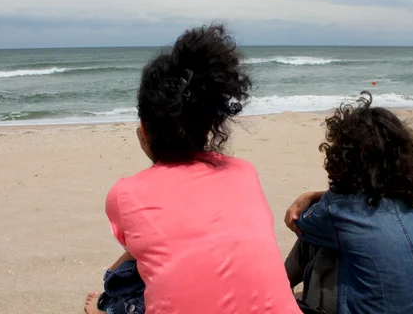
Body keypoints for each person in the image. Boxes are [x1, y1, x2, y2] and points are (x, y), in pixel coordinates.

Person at [84, 25, 302, 314]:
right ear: (210, 125)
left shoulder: (125, 194)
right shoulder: (244, 172)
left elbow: (138, 250)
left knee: (123, 280)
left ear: (143, 133)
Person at [284, 92, 413, 313]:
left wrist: (307, 197)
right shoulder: (411, 201)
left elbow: (296, 221)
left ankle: (277, 291)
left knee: (314, 240)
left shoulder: (339, 210)